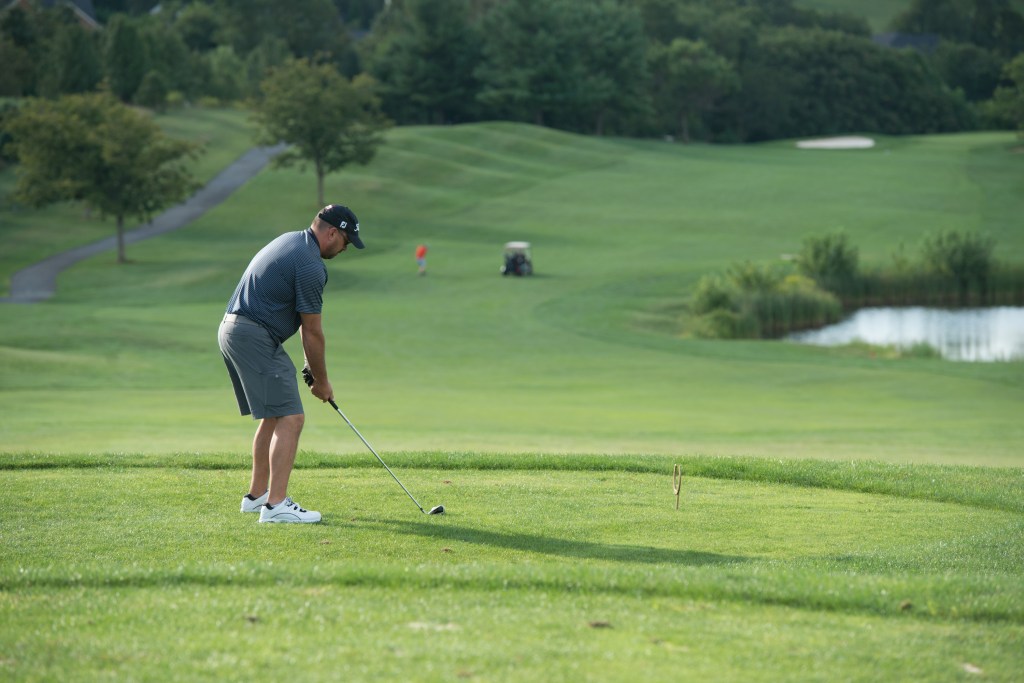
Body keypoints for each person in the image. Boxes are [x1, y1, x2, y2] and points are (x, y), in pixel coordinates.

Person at [218, 204, 364, 523]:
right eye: (346, 241)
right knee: (292, 418)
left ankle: (257, 497)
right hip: (253, 334)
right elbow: (312, 330)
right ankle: (277, 506)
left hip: (233, 329)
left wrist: (312, 367)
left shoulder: (290, 241)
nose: (345, 248)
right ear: (331, 233)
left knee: (274, 415)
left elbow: (300, 324)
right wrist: (323, 383)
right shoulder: (311, 265)